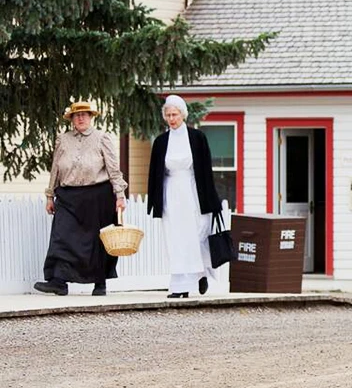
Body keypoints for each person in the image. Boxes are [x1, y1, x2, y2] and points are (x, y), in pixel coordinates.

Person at [35, 100, 128, 296]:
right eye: (76, 115)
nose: (80, 118)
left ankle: (100, 283)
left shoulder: (102, 138)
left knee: (97, 242)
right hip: (68, 196)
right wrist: (50, 195)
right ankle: (58, 282)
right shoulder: (63, 139)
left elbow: (113, 169)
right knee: (61, 237)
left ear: (91, 117)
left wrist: (120, 195)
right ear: (71, 119)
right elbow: (55, 169)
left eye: (84, 114)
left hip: (97, 196)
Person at [148, 95, 223, 299]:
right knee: (175, 239)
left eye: (175, 114)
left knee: (194, 237)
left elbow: (206, 171)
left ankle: (199, 274)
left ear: (183, 115)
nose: (172, 118)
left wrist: (213, 200)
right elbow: (155, 173)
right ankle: (179, 285)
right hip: (171, 192)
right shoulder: (161, 142)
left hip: (193, 192)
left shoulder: (197, 138)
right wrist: (155, 201)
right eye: (169, 115)